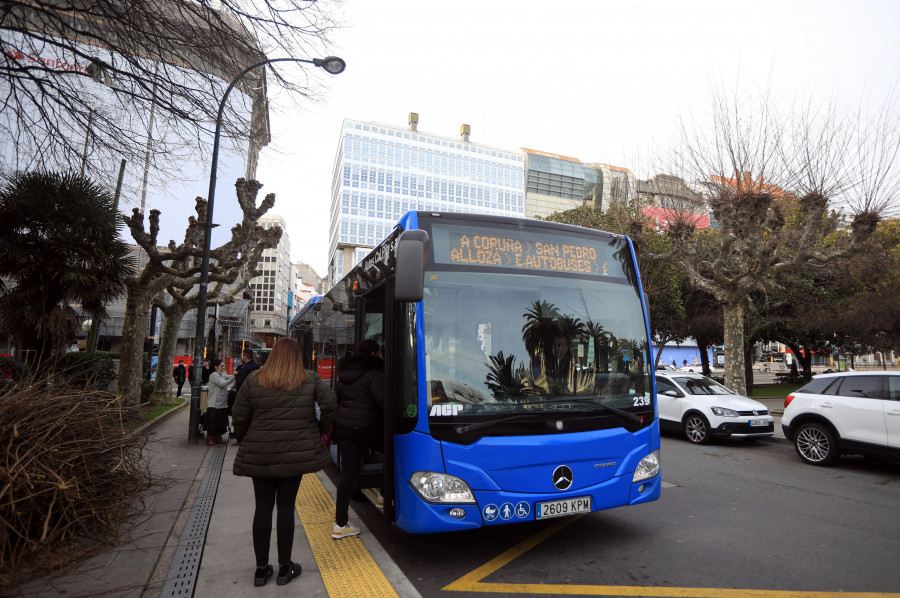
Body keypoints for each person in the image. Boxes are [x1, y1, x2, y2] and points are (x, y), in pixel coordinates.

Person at [231, 338, 337, 587]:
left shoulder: (254, 379)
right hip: (296, 453)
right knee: (286, 508)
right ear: (297, 356)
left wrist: (247, 437)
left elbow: (238, 413)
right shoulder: (309, 378)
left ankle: (260, 570)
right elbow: (330, 404)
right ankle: (285, 568)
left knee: (263, 508)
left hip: (261, 452)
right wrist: (320, 429)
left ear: (273, 355)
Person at [333, 338, 385, 539]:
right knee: (394, 450)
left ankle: (340, 524)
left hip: (345, 428)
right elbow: (383, 401)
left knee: (347, 475)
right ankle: (383, 494)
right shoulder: (373, 374)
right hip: (366, 427)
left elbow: (338, 399)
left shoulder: (344, 375)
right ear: (373, 354)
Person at [230, 349, 261, 446]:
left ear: (245, 356)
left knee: (241, 415)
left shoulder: (245, 368)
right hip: (256, 393)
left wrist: (236, 375)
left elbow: (240, 381)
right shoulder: (256, 366)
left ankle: (240, 438)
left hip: (244, 394)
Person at [205, 359, 234, 447]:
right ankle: (211, 440)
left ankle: (217, 438)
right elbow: (222, 384)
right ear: (216, 367)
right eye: (221, 366)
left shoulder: (221, 374)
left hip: (221, 403)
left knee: (220, 422)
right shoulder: (214, 375)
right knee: (213, 422)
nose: (223, 367)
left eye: (223, 366)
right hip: (214, 403)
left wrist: (234, 375)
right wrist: (234, 377)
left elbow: (228, 377)